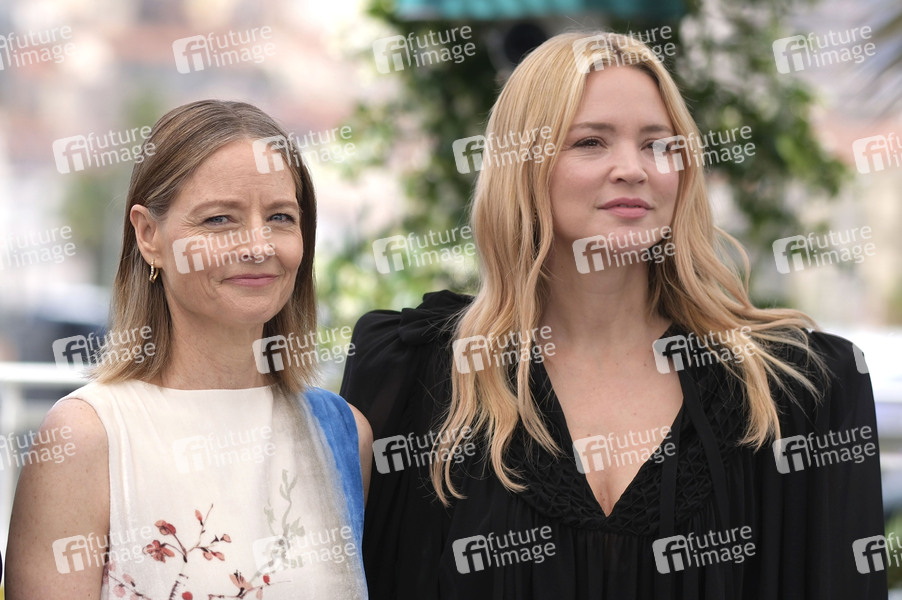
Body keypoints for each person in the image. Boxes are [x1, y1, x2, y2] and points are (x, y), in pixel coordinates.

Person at [340, 32, 886, 599]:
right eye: (591, 142)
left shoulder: (800, 389)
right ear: (521, 165)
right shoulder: (413, 372)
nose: (633, 168)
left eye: (657, 144)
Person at [6, 100, 372, 599]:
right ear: (148, 235)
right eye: (220, 219)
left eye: (280, 217)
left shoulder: (345, 435)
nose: (259, 246)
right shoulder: (87, 438)